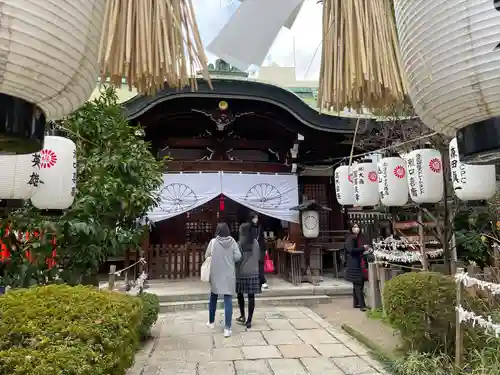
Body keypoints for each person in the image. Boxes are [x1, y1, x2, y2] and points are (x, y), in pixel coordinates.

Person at [206, 222, 242, 338]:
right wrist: (229, 259)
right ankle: (227, 328)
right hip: (228, 274)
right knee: (228, 300)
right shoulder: (233, 242)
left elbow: (207, 255)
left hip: (216, 273)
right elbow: (238, 256)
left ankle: (211, 322)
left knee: (213, 297)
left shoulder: (213, 242)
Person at [236, 222, 262, 329]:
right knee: (251, 296)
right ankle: (249, 320)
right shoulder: (255, 242)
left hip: (242, 273)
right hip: (254, 272)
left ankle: (242, 315)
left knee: (240, 294)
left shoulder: (239, 243)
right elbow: (259, 257)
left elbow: (237, 258)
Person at [344, 223, 372, 311]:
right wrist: (363, 248)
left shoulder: (360, 237)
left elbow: (365, 246)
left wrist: (367, 249)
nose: (357, 229)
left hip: (360, 263)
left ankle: (356, 303)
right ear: (351, 228)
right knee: (358, 283)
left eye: (358, 227)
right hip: (354, 264)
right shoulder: (350, 238)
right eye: (355, 227)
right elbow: (351, 250)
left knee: (358, 284)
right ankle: (362, 305)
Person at [248, 211, 268, 289]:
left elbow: (263, 239)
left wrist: (265, 249)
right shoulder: (248, 227)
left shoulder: (260, 227)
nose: (255, 219)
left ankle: (262, 281)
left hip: (260, 249)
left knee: (261, 265)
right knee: (253, 266)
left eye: (256, 218)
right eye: (254, 218)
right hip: (252, 249)